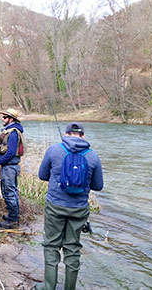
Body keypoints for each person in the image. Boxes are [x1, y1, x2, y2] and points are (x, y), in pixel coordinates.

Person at [36, 123, 103, 290]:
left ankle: (49, 287)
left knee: (51, 246)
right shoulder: (93, 156)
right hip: (79, 209)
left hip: (55, 206)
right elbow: (98, 186)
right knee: (72, 248)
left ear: (66, 134)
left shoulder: (53, 150)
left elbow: (42, 175)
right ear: (83, 136)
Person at [0, 108, 25, 229]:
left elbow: (11, 152)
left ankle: (13, 220)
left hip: (10, 168)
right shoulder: (12, 131)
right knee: (10, 192)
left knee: (10, 193)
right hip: (10, 167)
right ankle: (13, 216)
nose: (3, 119)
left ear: (11, 119)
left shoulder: (13, 133)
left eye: (5, 117)